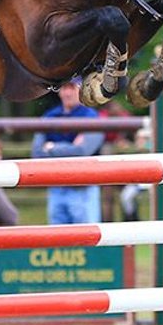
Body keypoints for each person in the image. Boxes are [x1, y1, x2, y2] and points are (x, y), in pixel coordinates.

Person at [32, 77, 104, 224]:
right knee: (59, 240)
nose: (68, 93)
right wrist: (70, 146)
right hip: (57, 186)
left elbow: (83, 150)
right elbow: (37, 153)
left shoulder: (91, 117)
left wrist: (52, 147)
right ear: (59, 92)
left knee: (86, 237)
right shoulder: (50, 116)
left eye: (73, 88)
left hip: (83, 186)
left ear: (82, 89)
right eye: (64, 88)